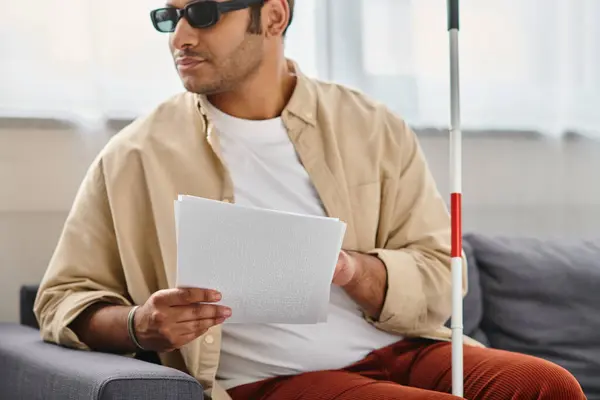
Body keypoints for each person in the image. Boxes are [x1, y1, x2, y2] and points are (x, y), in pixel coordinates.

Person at [34, 0, 586, 399]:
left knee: (548, 385)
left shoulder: (371, 126)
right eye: (167, 16)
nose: (179, 36)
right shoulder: (134, 155)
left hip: (400, 349)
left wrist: (350, 269)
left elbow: (444, 274)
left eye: (201, 14)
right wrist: (140, 324)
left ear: (273, 17)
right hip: (274, 380)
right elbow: (61, 299)